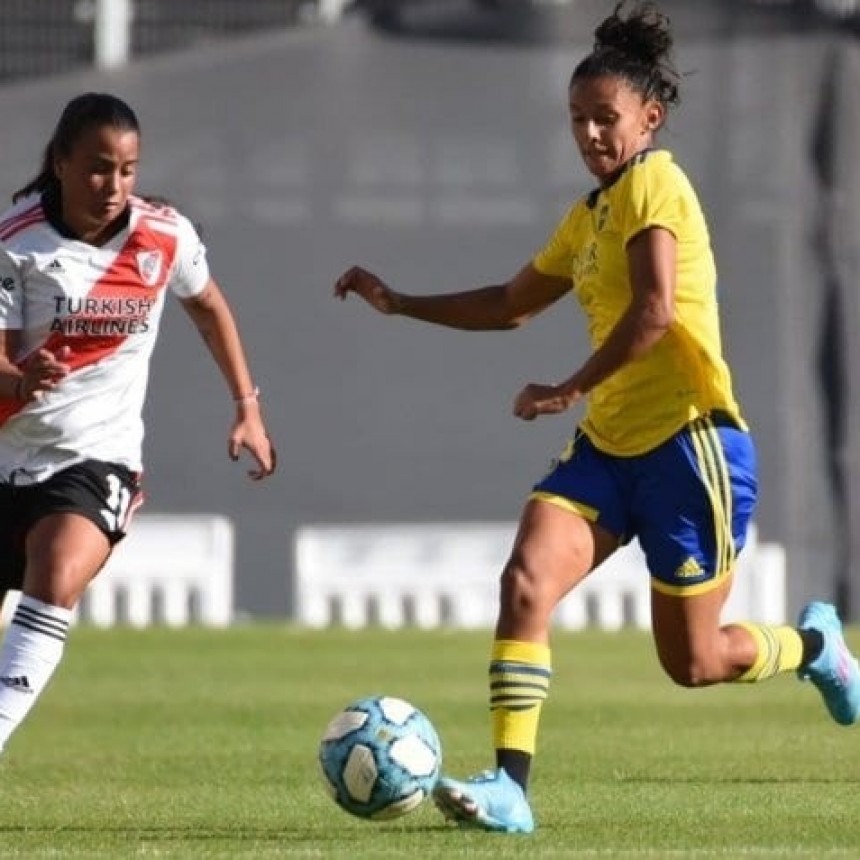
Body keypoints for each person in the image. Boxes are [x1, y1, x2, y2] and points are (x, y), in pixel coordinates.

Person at [334, 0, 860, 835]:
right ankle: (511, 789)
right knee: (525, 582)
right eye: (577, 119)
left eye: (604, 118)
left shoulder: (657, 181)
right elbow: (511, 305)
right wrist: (399, 303)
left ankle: (815, 649)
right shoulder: (590, 215)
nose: (589, 133)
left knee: (693, 661)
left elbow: (654, 310)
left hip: (692, 446)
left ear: (648, 118)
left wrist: (568, 386)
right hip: (609, 449)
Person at [0, 92, 276, 754]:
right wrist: (19, 380)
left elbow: (209, 306)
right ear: (62, 163)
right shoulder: (18, 243)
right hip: (9, 449)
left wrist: (248, 406)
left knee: (58, 573)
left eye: (128, 169)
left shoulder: (164, 236)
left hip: (97, 458)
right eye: (98, 168)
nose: (115, 186)